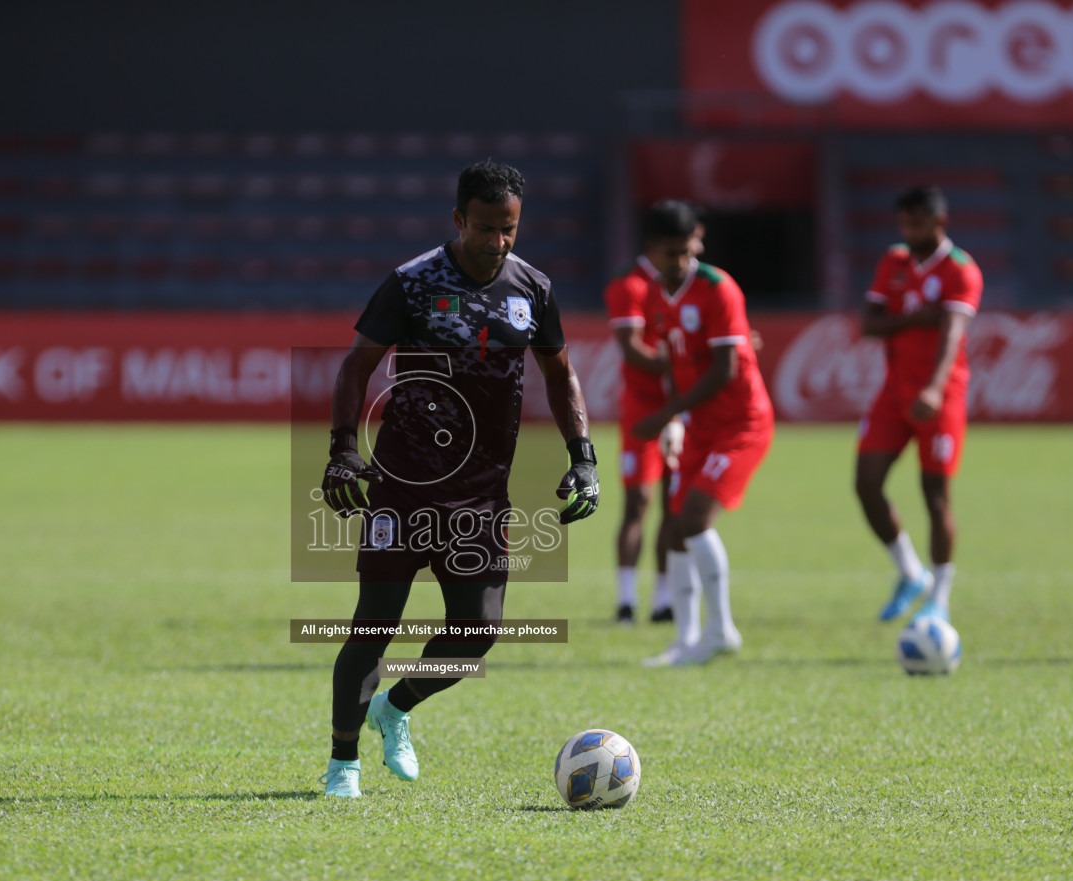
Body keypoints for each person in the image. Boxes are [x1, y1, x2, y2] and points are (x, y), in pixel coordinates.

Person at [319, 160, 599, 798]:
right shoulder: (412, 283)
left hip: (482, 491)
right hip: (403, 482)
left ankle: (397, 707)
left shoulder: (533, 288)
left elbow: (561, 374)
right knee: (374, 625)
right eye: (485, 228)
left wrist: (582, 455)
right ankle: (343, 765)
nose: (497, 242)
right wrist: (342, 450)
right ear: (457, 220)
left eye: (509, 230)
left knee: (476, 635)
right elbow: (355, 367)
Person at [631, 203, 774, 667]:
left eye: (686, 250)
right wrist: (676, 421)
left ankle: (721, 631)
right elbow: (673, 363)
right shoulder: (654, 294)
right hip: (698, 425)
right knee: (674, 529)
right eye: (669, 253)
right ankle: (686, 638)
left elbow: (724, 369)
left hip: (741, 424)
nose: (679, 261)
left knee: (694, 519)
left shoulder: (718, 288)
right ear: (651, 250)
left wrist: (665, 414)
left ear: (698, 240)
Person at [855, 186, 982, 624]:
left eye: (916, 223)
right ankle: (912, 572)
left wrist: (933, 388)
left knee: (935, 496)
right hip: (894, 393)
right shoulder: (894, 261)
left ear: (939, 223)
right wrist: (912, 319)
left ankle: (940, 600)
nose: (907, 231)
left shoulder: (960, 270)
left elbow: (951, 333)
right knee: (866, 482)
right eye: (904, 223)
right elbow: (868, 325)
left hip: (939, 395)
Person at [604, 201, 687, 625]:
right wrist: (691, 361)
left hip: (684, 409)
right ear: (655, 245)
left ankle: (664, 599)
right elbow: (632, 350)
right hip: (641, 410)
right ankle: (624, 600)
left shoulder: (688, 283)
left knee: (677, 505)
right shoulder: (629, 285)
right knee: (638, 502)